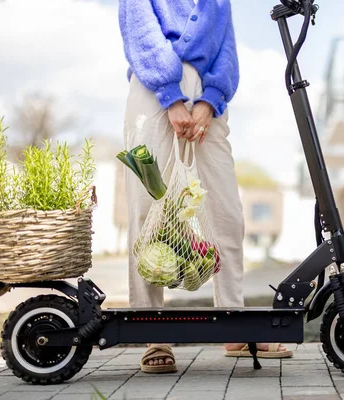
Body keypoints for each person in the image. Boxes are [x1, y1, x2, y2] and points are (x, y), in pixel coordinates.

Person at [119, 0, 293, 374]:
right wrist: (171, 97)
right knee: (147, 208)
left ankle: (235, 323)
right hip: (152, 91)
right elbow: (141, 32)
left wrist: (210, 101)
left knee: (227, 212)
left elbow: (226, 49)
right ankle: (153, 333)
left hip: (207, 100)